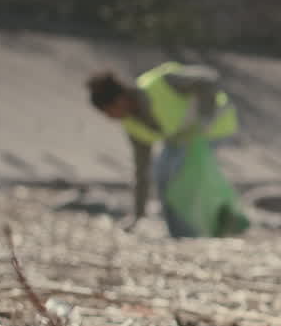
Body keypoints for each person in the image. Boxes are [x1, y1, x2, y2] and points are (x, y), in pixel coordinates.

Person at [86, 63, 248, 238]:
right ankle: (182, 233)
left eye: (109, 112)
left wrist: (205, 118)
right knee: (164, 172)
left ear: (119, 100)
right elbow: (142, 171)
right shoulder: (132, 125)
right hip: (186, 139)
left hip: (217, 126)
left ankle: (209, 224)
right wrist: (138, 215)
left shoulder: (161, 83)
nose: (111, 118)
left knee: (179, 171)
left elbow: (208, 79)